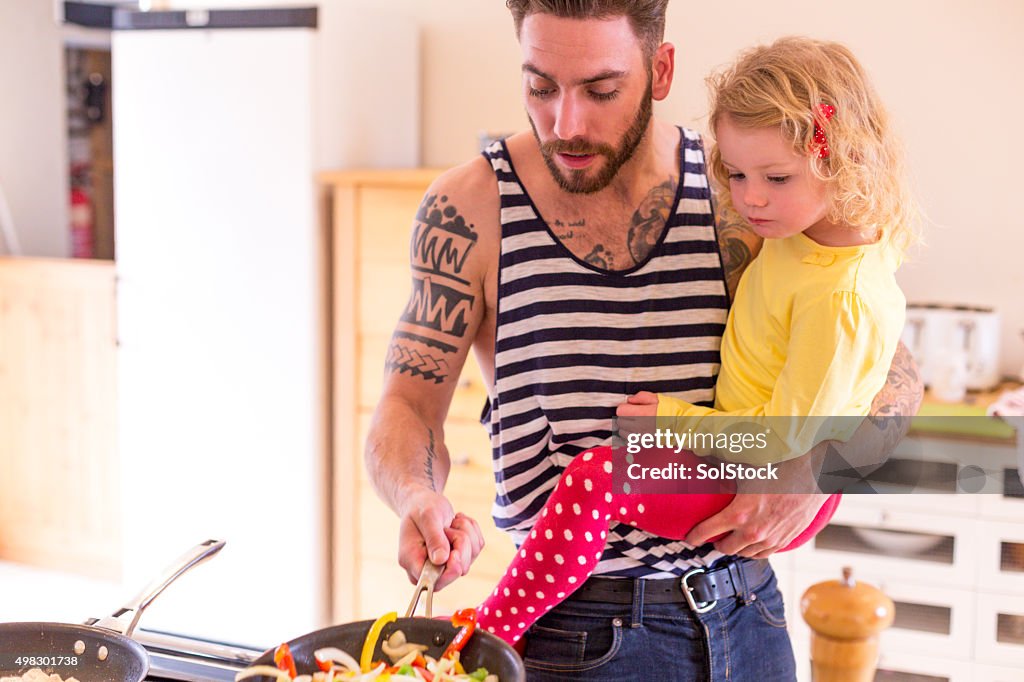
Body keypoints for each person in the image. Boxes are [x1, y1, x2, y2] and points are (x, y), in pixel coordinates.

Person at [363, 2, 923, 679]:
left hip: (748, 613)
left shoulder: (740, 193)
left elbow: (889, 371)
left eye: (601, 90)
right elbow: (408, 406)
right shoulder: (472, 209)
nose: (567, 123)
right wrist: (417, 498)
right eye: (540, 86)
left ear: (660, 71)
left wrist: (814, 468)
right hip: (575, 632)